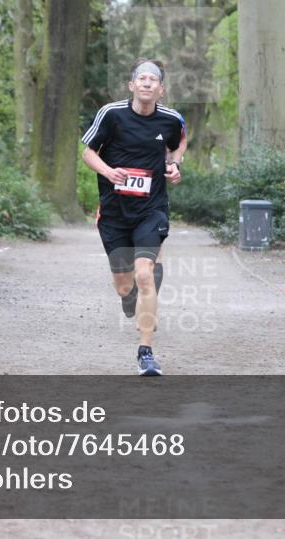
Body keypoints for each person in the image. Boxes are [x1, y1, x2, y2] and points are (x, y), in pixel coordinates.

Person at [81, 58, 186, 375]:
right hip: (114, 212)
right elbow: (87, 151)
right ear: (131, 86)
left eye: (153, 79)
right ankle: (130, 298)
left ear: (160, 89)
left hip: (150, 210)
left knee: (144, 275)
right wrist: (108, 172)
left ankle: (146, 352)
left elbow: (179, 140)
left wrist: (175, 164)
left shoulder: (169, 119)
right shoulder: (111, 114)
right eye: (141, 78)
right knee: (125, 287)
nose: (147, 83)